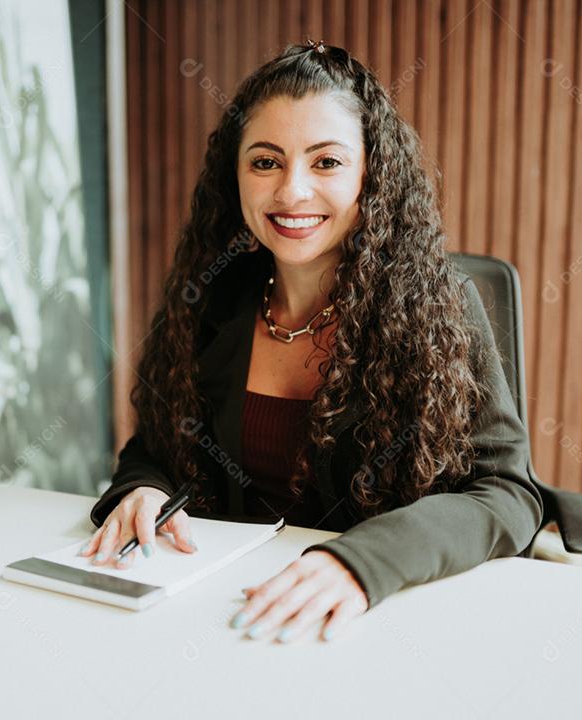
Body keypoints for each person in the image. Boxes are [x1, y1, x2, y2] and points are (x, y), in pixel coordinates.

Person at [78, 41, 543, 644]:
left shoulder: (441, 305)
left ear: (370, 174)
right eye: (266, 162)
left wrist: (362, 561)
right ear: (236, 174)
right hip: (222, 617)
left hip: (376, 618)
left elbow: (507, 493)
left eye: (326, 163)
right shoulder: (211, 297)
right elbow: (156, 448)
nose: (292, 192)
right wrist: (144, 488)